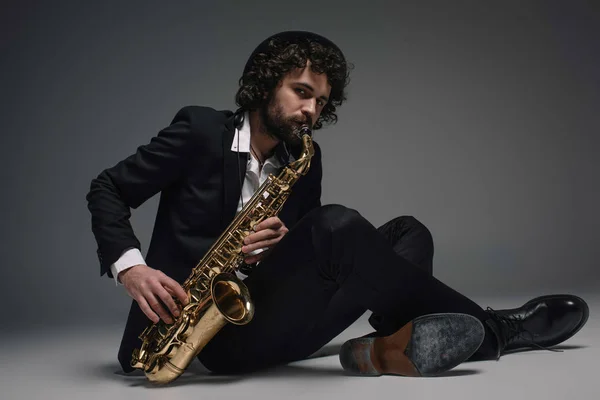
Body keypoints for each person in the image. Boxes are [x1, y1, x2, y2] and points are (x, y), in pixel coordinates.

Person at [86, 31, 589, 378]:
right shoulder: (199, 131)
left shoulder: (305, 156)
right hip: (208, 339)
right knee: (338, 224)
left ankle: (382, 350)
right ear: (265, 84)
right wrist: (132, 269)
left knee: (407, 234)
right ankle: (496, 331)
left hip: (282, 319)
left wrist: (284, 242)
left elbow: (318, 252)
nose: (311, 111)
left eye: (321, 102)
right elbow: (107, 188)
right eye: (301, 92)